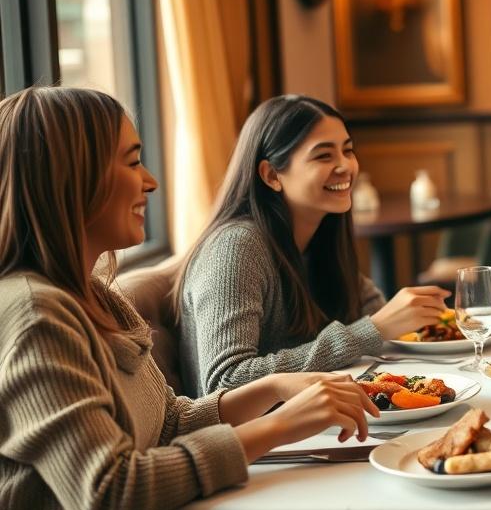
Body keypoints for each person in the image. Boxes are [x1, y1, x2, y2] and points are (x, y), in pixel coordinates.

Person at [0, 87, 378, 510]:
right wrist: (280, 427)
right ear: (71, 179)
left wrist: (273, 390)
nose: (150, 181)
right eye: (133, 163)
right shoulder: (35, 315)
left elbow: (168, 421)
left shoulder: (94, 295)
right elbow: (110, 496)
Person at [176, 95, 449, 397]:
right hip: (263, 439)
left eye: (348, 150)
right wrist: (372, 330)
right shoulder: (234, 248)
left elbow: (375, 312)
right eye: (324, 156)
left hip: (322, 420)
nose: (345, 166)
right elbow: (225, 382)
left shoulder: (319, 234)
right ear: (271, 175)